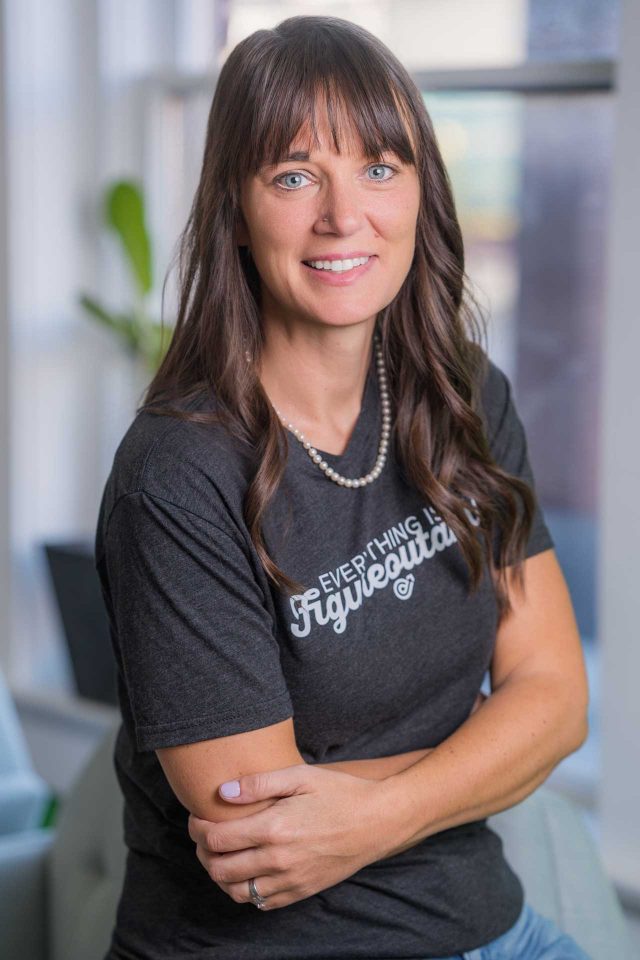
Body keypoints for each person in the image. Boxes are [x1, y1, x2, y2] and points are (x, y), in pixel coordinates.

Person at [94, 14, 593, 960]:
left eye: (379, 167)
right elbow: (259, 844)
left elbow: (559, 699)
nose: (342, 215)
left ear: (419, 193)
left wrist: (372, 810)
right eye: (293, 175)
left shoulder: (466, 398)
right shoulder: (176, 476)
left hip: (490, 926)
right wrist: (486, 753)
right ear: (237, 210)